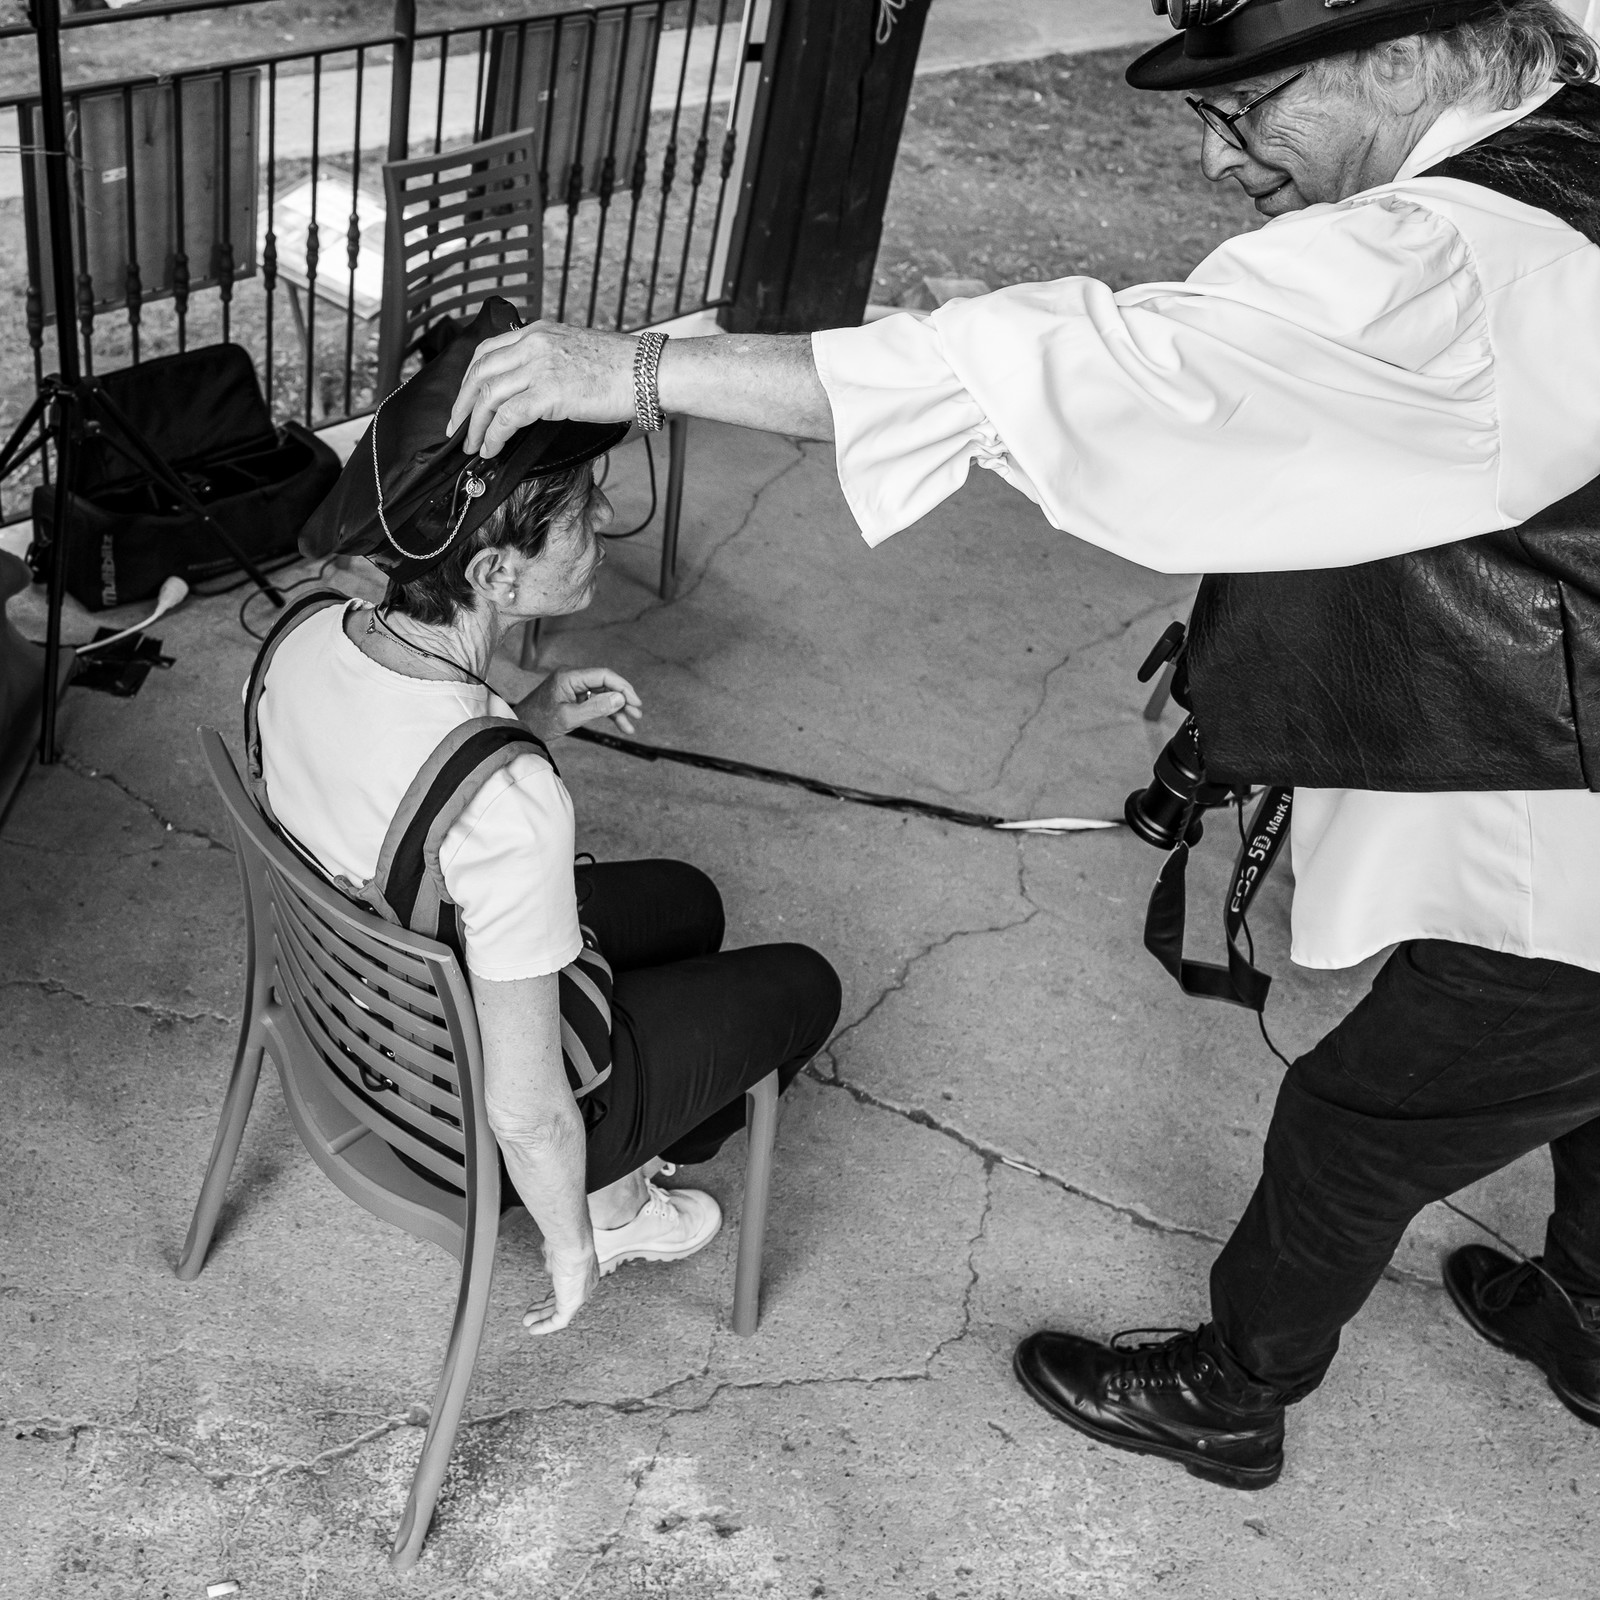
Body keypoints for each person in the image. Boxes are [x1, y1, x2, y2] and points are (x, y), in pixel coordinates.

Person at [444, 0, 1600, 1484]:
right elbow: (1419, 473)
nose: (1218, 160)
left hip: (1576, 857)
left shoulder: (1452, 255)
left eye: (1246, 112)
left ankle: (1234, 1394)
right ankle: (1582, 1310)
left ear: (1396, 57)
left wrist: (652, 374)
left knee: (1357, 1125)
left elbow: (1092, 372)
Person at [253, 302, 840, 1337]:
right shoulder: (510, 805)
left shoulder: (302, 636)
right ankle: (619, 1198)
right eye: (580, 511)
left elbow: (396, 797)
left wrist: (525, 718)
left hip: (360, 1000)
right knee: (805, 985)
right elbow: (523, 1108)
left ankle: (630, 1133)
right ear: (492, 572)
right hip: (458, 1091)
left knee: (692, 903)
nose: (603, 520)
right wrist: (569, 1243)